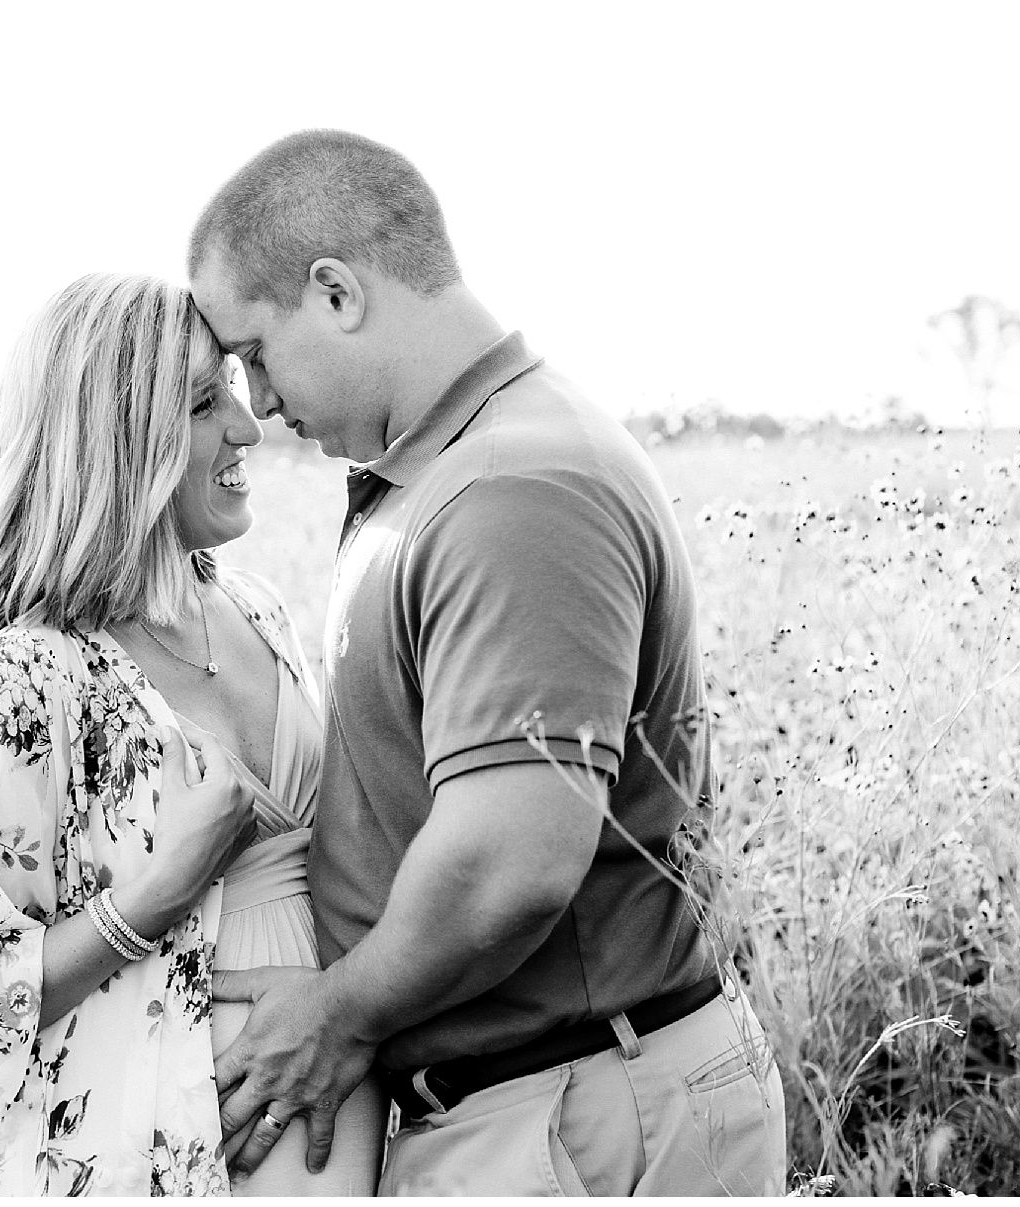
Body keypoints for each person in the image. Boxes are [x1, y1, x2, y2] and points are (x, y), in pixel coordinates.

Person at [188, 130, 788, 1196]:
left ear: (337, 293)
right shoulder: (451, 472)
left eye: (254, 354)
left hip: (579, 1117)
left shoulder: (510, 488)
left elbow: (508, 860)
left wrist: (336, 1015)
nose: (257, 407)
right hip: (541, 1107)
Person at [0, 272, 386, 1196]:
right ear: (120, 441)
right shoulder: (30, 681)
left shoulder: (257, 611)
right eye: (204, 404)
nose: (246, 427)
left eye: (234, 390)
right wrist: (152, 898)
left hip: (323, 1117)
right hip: (139, 1154)